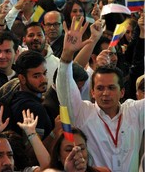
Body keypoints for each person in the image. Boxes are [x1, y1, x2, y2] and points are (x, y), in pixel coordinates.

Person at [56, 16, 145, 171]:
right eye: (100, 88)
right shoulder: (82, 112)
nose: (105, 93)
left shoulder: (135, 111)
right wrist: (66, 55)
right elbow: (65, 90)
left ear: (122, 92)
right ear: (92, 92)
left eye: (111, 88)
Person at [9, 50, 53, 139]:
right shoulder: (33, 108)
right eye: (36, 76)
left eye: (44, 73)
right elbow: (33, 150)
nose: (43, 80)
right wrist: (55, 133)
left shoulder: (16, 95)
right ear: (22, 78)